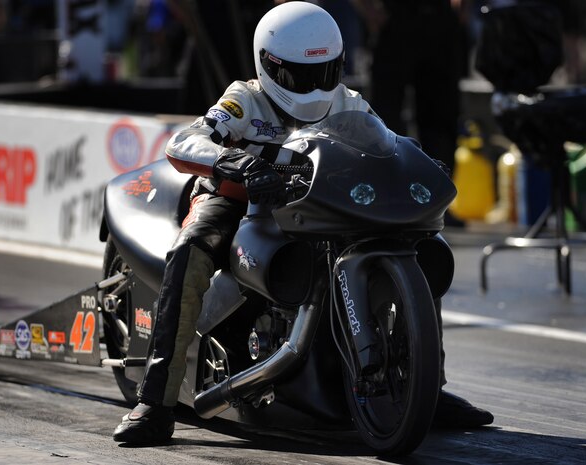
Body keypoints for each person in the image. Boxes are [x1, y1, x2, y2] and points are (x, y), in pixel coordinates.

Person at [113, 1, 493, 445]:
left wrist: (420, 165)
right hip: (240, 199)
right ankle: (155, 401)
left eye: (324, 73)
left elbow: (387, 144)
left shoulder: (350, 101)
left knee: (417, 240)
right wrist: (231, 160)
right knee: (192, 248)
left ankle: (429, 385)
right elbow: (185, 140)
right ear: (269, 65)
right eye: (300, 76)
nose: (314, 87)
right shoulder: (244, 98)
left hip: (318, 205)